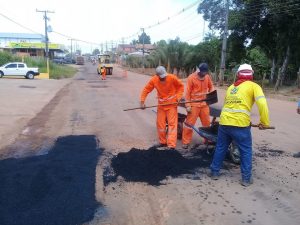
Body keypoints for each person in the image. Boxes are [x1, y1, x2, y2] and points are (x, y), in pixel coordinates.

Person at [210, 63, 270, 187]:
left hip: (224, 123)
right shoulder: (254, 86)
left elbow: (227, 104)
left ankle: (214, 172)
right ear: (251, 74)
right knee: (246, 151)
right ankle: (246, 179)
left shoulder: (232, 87)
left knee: (221, 147)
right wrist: (264, 122)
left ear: (238, 74)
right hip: (240, 125)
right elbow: (262, 104)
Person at [140, 66, 184, 150]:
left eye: (164, 76)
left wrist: (178, 98)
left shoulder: (172, 78)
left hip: (172, 105)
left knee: (172, 125)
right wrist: (142, 102)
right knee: (160, 124)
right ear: (157, 75)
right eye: (161, 77)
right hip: (161, 105)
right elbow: (146, 90)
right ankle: (162, 142)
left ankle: (171, 145)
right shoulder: (154, 80)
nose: (163, 78)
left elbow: (181, 87)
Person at [182, 63, 214, 149]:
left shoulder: (207, 77)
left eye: (205, 73)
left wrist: (211, 95)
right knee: (189, 124)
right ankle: (186, 142)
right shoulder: (191, 78)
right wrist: (187, 105)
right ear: (199, 70)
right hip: (194, 104)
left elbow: (211, 87)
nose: (203, 75)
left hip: (204, 104)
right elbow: (187, 93)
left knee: (207, 124)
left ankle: (208, 140)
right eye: (202, 73)